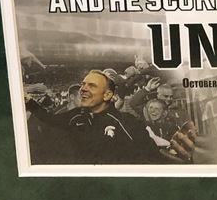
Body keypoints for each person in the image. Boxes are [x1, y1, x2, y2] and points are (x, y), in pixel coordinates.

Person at [25, 69, 196, 165]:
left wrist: (179, 162)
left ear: (107, 95)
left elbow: (152, 155)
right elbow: (48, 118)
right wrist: (28, 101)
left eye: (92, 86)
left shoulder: (126, 122)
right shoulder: (74, 116)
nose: (83, 89)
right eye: (83, 84)